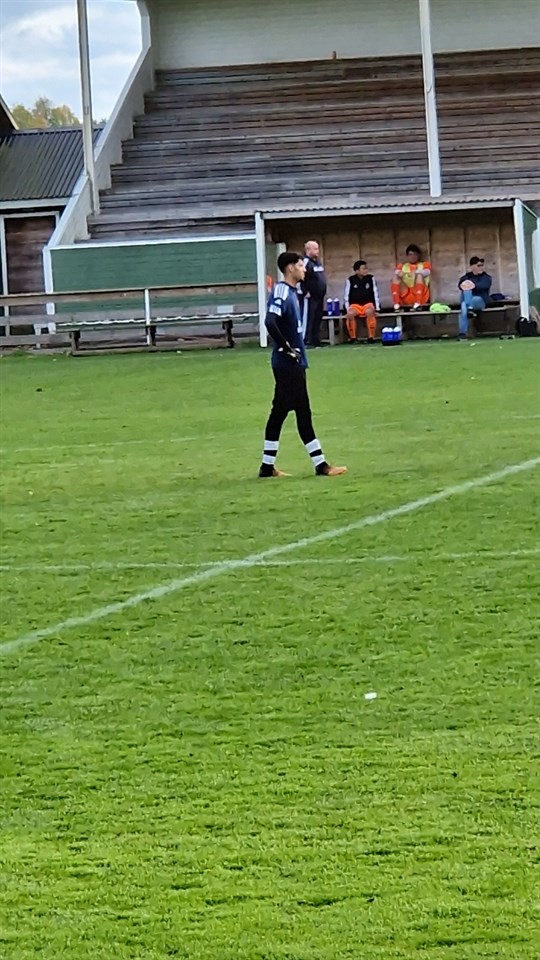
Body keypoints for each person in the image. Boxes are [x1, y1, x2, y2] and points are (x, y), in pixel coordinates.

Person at [259, 252, 347, 479]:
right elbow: (270, 321)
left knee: (279, 412)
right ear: (290, 268)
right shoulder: (281, 291)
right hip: (288, 364)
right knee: (303, 412)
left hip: (292, 363)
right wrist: (287, 347)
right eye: (300, 265)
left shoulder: (292, 292)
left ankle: (267, 467)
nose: (304, 269)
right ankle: (321, 465)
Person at [343, 260, 381, 343]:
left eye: (366, 268)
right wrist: (347, 309)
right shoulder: (350, 280)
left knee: (369, 312)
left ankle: (371, 337)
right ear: (357, 271)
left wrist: (377, 308)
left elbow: (375, 293)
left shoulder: (371, 278)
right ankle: (353, 338)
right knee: (350, 314)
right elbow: (346, 295)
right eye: (363, 269)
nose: (366, 270)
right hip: (355, 305)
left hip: (368, 304)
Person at [299, 239, 327, 348]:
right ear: (308, 250)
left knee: (317, 318)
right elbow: (300, 278)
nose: (317, 251)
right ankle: (305, 340)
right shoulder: (305, 262)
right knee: (308, 318)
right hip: (310, 297)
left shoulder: (317, 262)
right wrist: (305, 291)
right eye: (315, 249)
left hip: (319, 296)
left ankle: (315, 340)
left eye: (317, 248)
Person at [458, 256, 492, 339]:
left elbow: (484, 286)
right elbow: (461, 285)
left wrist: (472, 285)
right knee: (464, 307)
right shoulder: (466, 277)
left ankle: (469, 307)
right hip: (468, 301)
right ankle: (462, 333)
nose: (481, 267)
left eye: (482, 265)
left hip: (480, 301)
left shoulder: (486, 277)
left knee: (468, 301)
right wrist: (467, 285)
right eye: (478, 265)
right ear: (472, 267)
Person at [391, 244, 431, 311]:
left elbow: (428, 271)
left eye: (415, 254)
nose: (413, 257)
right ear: (407, 256)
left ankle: (418, 305)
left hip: (421, 295)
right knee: (396, 278)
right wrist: (399, 273)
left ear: (418, 255)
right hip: (406, 293)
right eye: (410, 254)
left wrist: (416, 272)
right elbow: (396, 271)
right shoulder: (402, 265)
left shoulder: (424, 264)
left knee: (419, 275)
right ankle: (397, 305)